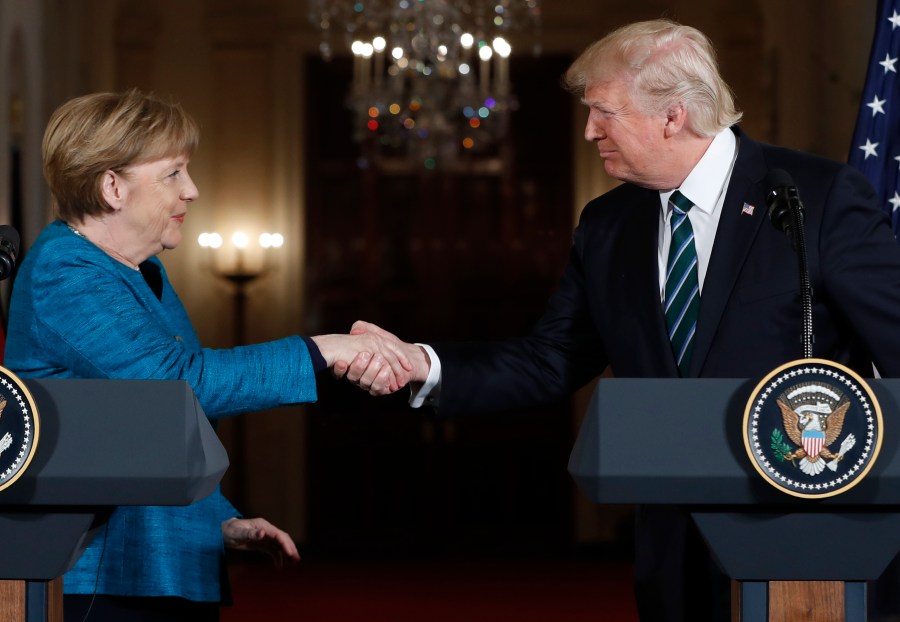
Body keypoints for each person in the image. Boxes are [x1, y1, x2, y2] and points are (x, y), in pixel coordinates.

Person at [335, 18, 900, 622]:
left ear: (673, 115)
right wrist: (424, 364)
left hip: (811, 541)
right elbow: (552, 358)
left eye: (603, 111)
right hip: (672, 548)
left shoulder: (819, 196)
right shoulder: (608, 224)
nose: (588, 130)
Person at [4, 89, 410, 621]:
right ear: (112, 187)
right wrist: (326, 349)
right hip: (101, 575)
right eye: (173, 173)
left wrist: (220, 522)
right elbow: (178, 388)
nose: (192, 190)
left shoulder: (139, 270)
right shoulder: (67, 271)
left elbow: (149, 433)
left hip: (158, 568)